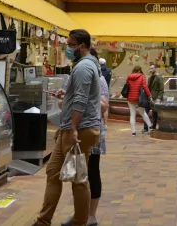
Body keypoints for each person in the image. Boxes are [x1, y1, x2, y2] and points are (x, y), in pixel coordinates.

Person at [33, 30, 100, 226]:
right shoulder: (85, 65)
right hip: (71, 129)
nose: (67, 48)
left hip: (78, 130)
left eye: (71, 45)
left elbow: (81, 99)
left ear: (82, 45)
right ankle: (43, 220)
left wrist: (72, 128)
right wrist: (65, 93)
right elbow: (78, 94)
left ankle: (80, 222)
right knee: (53, 172)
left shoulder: (83, 67)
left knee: (78, 179)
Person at [62, 48, 109, 226]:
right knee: (78, 174)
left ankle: (90, 215)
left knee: (91, 172)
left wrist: (88, 100)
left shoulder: (100, 80)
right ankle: (79, 214)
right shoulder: (74, 78)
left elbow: (105, 105)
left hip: (91, 129)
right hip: (76, 130)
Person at [126, 65, 152, 136]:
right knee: (143, 113)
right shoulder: (141, 76)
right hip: (139, 98)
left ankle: (133, 132)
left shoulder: (129, 76)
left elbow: (127, 86)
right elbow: (145, 87)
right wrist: (149, 96)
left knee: (132, 115)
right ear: (140, 70)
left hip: (130, 98)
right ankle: (150, 127)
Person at [143, 63, 164, 132]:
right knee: (145, 112)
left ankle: (153, 126)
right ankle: (145, 127)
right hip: (149, 98)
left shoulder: (159, 77)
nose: (150, 70)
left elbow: (161, 89)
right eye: (150, 68)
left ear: (155, 69)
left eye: (152, 68)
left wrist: (159, 98)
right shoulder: (149, 78)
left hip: (155, 98)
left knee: (154, 113)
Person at [98, 58, 111, 130]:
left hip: (98, 89)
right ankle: (105, 124)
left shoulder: (97, 69)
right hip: (105, 90)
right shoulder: (108, 70)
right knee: (106, 107)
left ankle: (99, 122)